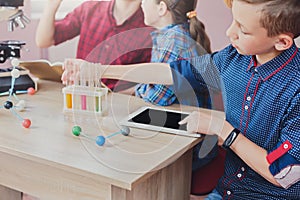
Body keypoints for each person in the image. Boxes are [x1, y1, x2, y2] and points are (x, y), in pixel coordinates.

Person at [62, 0, 300, 199]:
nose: (229, 33)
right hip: (227, 190)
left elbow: (284, 173)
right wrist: (98, 70)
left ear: (282, 42)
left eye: (243, 29)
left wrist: (222, 130)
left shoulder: (296, 88)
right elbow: (171, 73)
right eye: (233, 20)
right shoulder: (233, 59)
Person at [36, 0, 153, 92]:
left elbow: (151, 79)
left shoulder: (150, 26)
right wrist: (51, 4)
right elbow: (44, 41)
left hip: (118, 102)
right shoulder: (89, 9)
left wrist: (115, 95)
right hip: (82, 94)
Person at [135, 0, 212, 107]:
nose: (141, 3)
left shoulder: (175, 40)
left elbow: (156, 97)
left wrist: (138, 89)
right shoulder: (172, 35)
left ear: (161, 8)